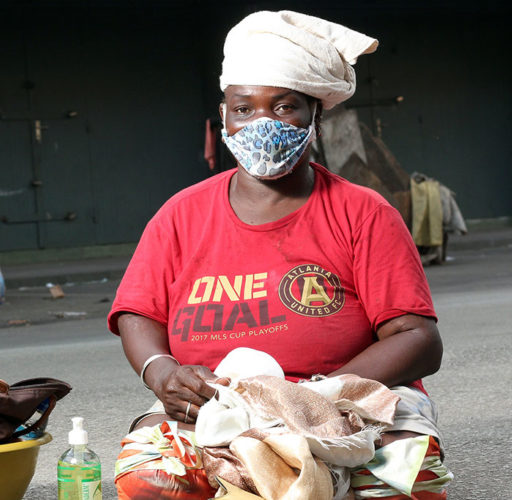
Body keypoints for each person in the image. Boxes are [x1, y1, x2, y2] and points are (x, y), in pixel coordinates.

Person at [108, 10, 451, 499]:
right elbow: (137, 314)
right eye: (243, 109)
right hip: (219, 403)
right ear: (223, 115)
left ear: (316, 113)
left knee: (406, 481)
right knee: (150, 482)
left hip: (344, 399)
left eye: (285, 107)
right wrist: (163, 373)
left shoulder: (362, 212)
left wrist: (313, 397)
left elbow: (418, 339)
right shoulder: (180, 215)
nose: (261, 124)